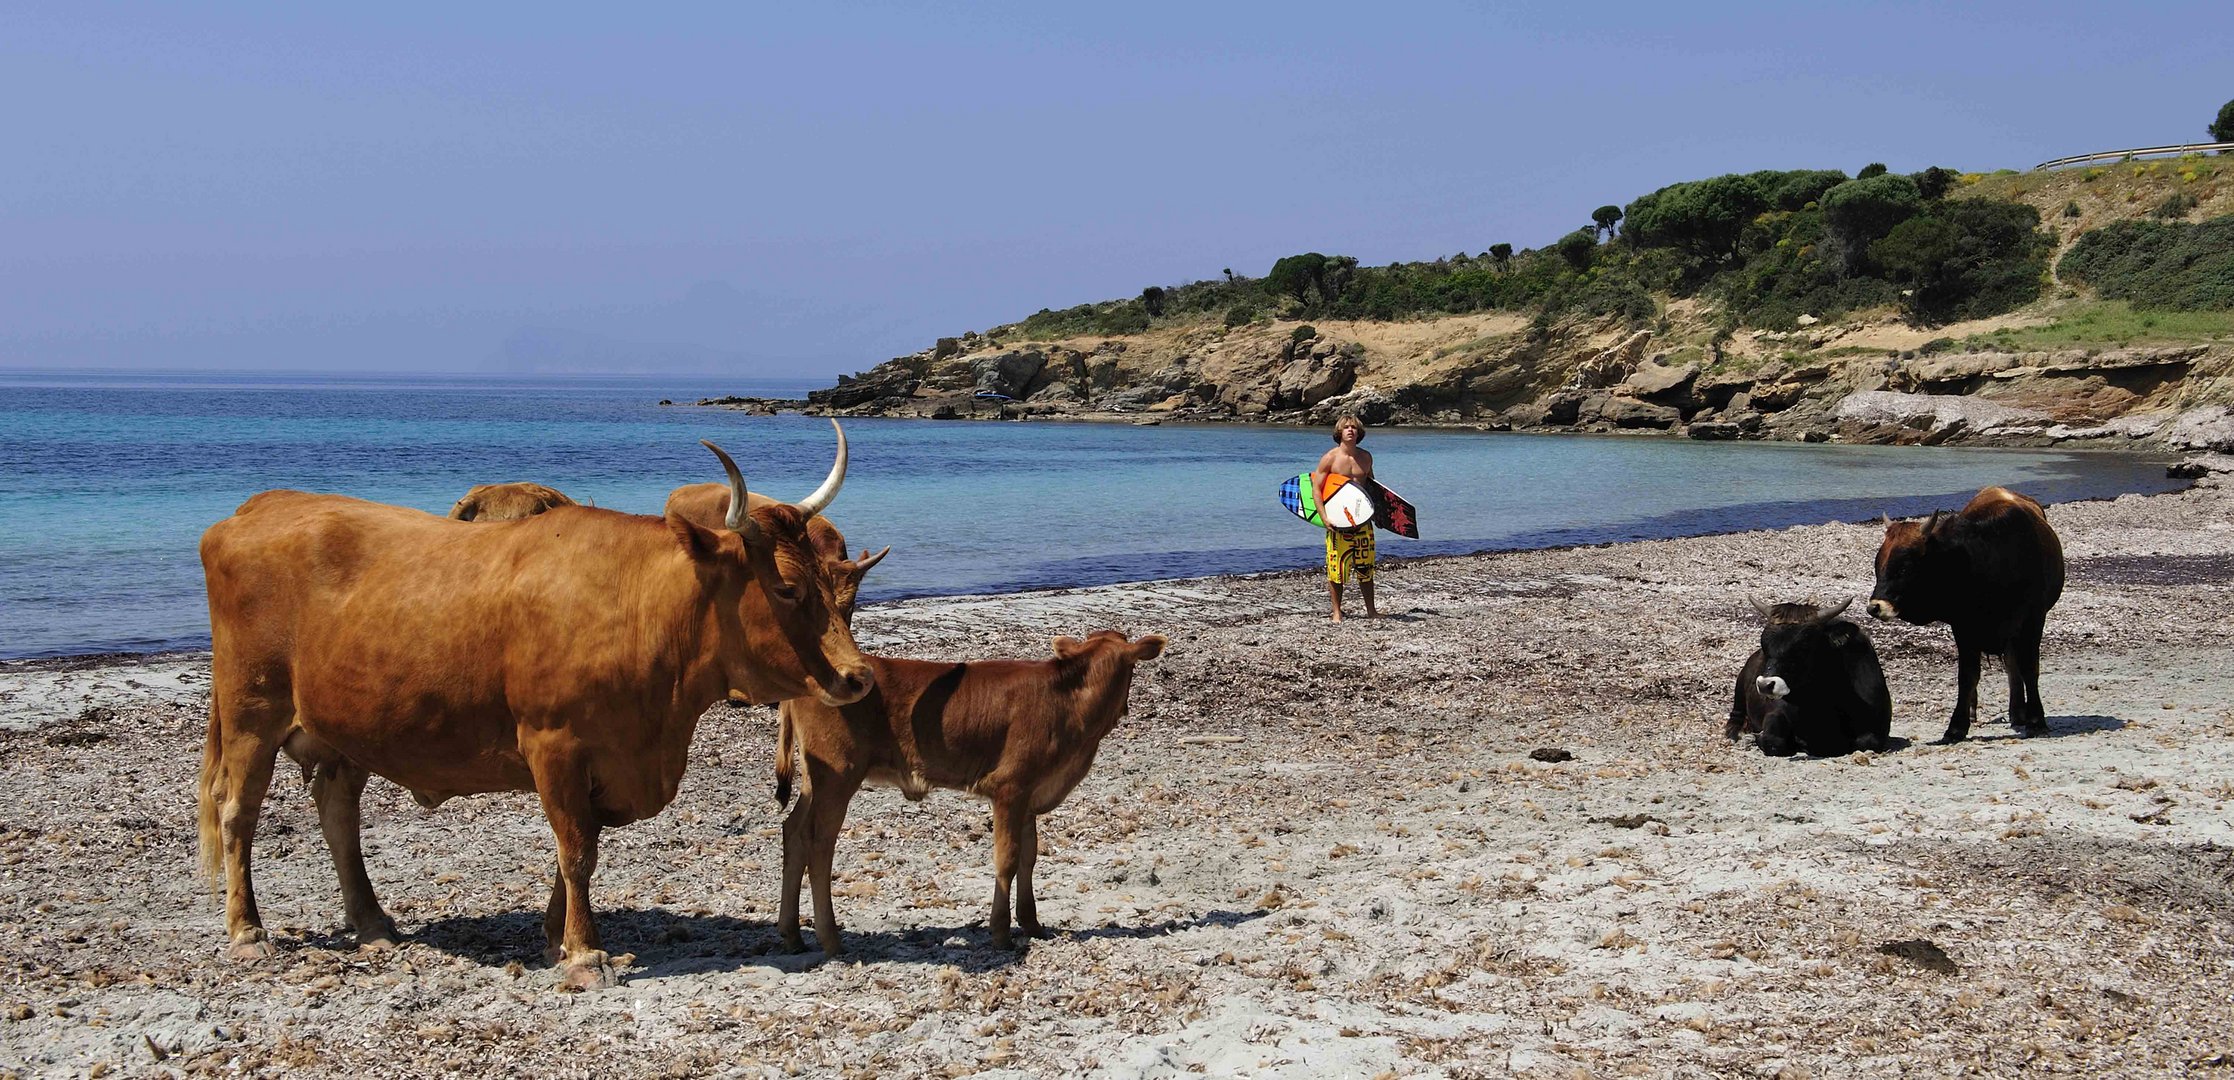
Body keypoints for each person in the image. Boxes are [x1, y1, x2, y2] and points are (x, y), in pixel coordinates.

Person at [1312, 414, 1377, 621]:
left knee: (1366, 567)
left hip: (1363, 522)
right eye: (1346, 427)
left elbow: (1372, 487)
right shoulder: (1330, 458)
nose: (1350, 430)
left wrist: (1381, 516)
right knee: (1336, 568)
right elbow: (1316, 489)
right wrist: (1323, 517)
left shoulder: (1366, 457)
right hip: (1337, 522)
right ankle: (1337, 612)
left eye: (1354, 427)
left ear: (1359, 432)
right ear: (1339, 432)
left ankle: (1371, 611)